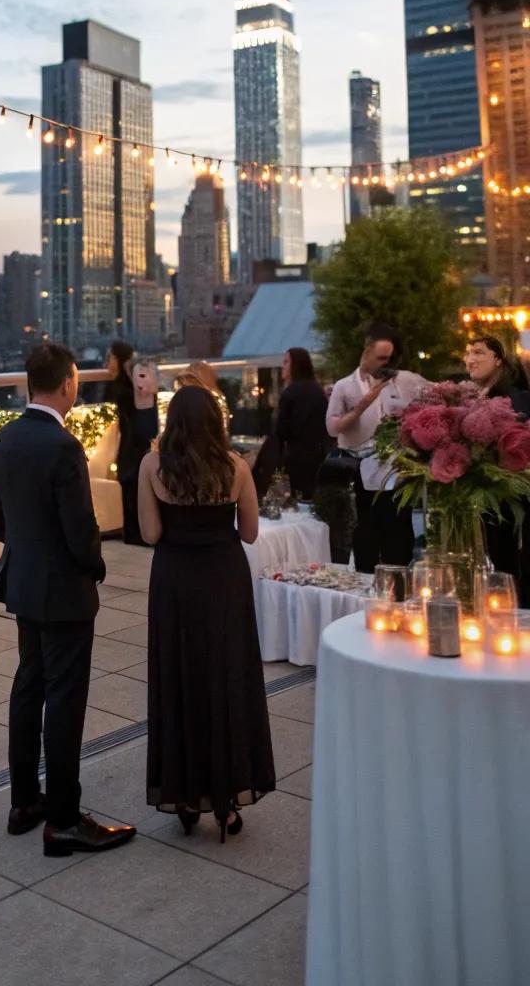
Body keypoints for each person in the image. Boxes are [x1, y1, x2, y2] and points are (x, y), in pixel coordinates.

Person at [0, 342, 136, 858]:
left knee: (29, 687)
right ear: (69, 382)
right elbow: (81, 531)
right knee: (65, 699)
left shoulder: (5, 438)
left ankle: (25, 802)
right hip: (65, 591)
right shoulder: (63, 447)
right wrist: (95, 566)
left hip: (25, 584)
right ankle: (65, 820)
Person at [138, 386, 275, 841]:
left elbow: (151, 533)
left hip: (176, 581)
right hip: (223, 581)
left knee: (180, 679)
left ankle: (183, 794)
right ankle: (227, 797)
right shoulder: (235, 467)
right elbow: (251, 533)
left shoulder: (153, 466)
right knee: (226, 680)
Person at [325, 325, 426, 572]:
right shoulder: (344, 386)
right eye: (381, 357)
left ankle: (400, 584)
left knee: (399, 531)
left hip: (398, 470)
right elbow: (332, 428)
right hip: (360, 469)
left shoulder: (404, 380)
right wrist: (361, 406)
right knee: (366, 532)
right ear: (366, 352)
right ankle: (366, 585)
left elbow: (433, 395)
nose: (386, 363)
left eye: (390, 358)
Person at [464, 335, 530, 600]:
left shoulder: (518, 398)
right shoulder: (469, 398)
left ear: (499, 360)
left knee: (507, 563)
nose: (470, 359)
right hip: (478, 494)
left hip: (510, 496)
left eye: (479, 352)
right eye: (468, 353)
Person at [275, 347, 331, 500]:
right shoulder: (317, 390)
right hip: (319, 454)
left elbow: (282, 430)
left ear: (296, 365)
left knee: (299, 499)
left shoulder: (291, 392)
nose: (283, 367)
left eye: (286, 362)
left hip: (297, 456)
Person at [115, 359, 159, 545]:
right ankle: (133, 533)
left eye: (144, 376)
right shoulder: (124, 402)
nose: (140, 382)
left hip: (155, 459)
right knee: (130, 483)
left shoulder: (162, 404)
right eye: (137, 376)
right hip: (130, 459)